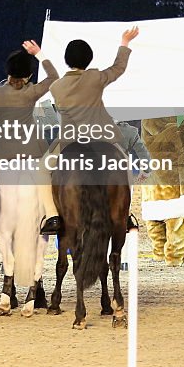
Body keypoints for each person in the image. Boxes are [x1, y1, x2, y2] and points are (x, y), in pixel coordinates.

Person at [41, 26, 140, 234]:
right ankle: (126, 213)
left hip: (69, 140)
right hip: (102, 137)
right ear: (89, 60)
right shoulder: (95, 78)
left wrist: (40, 55)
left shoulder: (56, 87)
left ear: (67, 60)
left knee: (41, 172)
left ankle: (52, 216)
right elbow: (117, 68)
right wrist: (124, 43)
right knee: (125, 168)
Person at [0, 41, 59, 188]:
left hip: (1, 154)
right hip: (33, 152)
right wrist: (38, 54)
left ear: (8, 72)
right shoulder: (32, 91)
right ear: (28, 75)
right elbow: (54, 77)